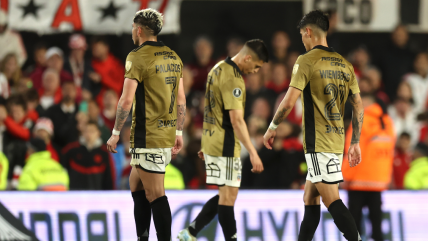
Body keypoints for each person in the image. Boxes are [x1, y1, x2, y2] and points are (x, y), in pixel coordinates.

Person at [263, 10, 363, 241]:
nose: (302, 40)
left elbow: (289, 101)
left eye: (301, 35)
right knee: (310, 199)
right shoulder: (345, 65)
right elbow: (358, 105)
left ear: (308, 32)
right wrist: (354, 141)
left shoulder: (306, 60)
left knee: (332, 200)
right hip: (336, 141)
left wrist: (272, 128)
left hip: (318, 143)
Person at [106, 9, 186, 241]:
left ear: (139, 30)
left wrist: (115, 133)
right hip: (166, 132)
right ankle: (143, 237)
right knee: (136, 185)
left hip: (148, 135)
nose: (132, 32)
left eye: (133, 28)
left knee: (155, 193)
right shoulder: (173, 56)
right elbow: (181, 99)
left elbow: (126, 100)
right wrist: (178, 131)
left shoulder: (137, 56)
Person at [177, 39, 268, 241]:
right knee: (228, 198)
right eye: (256, 67)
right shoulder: (233, 78)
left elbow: (209, 109)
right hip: (225, 143)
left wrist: (207, 144)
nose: (254, 72)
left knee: (227, 196)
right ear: (248, 57)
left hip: (213, 141)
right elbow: (236, 120)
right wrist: (253, 152)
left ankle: (190, 232)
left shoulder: (216, 68)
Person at [342, 93, 395, 241]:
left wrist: (345, 177)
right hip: (378, 181)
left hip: (358, 181)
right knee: (377, 226)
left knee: (354, 226)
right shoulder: (387, 121)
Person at [62, 121, 115, 190]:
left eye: (92, 131)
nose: (89, 134)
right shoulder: (71, 150)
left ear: (98, 133)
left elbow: (109, 176)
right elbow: (62, 170)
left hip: (97, 195)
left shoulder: (105, 152)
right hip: (74, 194)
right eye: (86, 131)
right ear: (82, 133)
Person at [44, 80, 79, 149]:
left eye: (71, 90)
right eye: (66, 89)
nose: (68, 92)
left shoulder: (81, 112)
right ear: (62, 91)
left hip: (76, 150)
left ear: (76, 92)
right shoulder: (51, 111)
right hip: (55, 148)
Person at [91, 36, 124, 107]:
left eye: (97, 48)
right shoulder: (92, 64)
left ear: (106, 48)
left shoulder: (116, 65)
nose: (94, 50)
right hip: (96, 105)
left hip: (114, 105)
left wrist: (101, 79)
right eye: (93, 48)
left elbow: (119, 87)